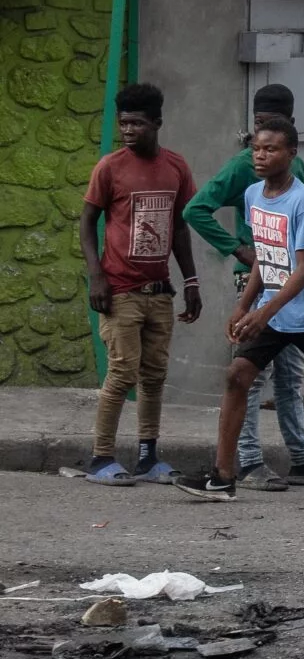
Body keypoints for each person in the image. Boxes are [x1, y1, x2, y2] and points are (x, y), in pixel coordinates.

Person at [176, 119, 304, 502]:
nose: (260, 155)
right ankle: (223, 476)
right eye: (256, 147)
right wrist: (243, 306)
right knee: (238, 375)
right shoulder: (254, 194)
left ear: (291, 154)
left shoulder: (303, 202)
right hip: (273, 310)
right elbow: (265, 258)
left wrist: (263, 312)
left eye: (270, 149)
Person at [182, 83, 304, 489]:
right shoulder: (242, 166)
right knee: (249, 373)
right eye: (257, 130)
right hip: (257, 279)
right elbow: (195, 209)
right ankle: (247, 462)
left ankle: (303, 460)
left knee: (290, 375)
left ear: (289, 131)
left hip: (290, 281)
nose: (260, 146)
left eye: (270, 130)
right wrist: (239, 250)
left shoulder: (295, 169)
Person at [80, 83, 200, 484]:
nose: (129, 130)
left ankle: (148, 458)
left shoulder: (176, 167)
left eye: (137, 123)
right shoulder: (109, 167)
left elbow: (180, 226)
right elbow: (85, 224)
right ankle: (101, 458)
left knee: (154, 375)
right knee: (122, 373)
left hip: (158, 290)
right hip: (120, 291)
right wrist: (97, 277)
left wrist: (192, 280)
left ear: (157, 124)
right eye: (124, 123)